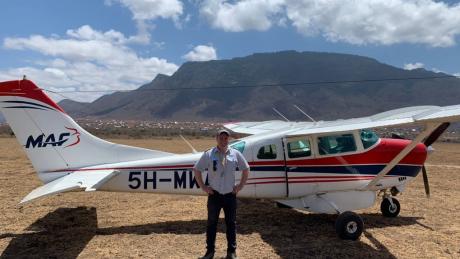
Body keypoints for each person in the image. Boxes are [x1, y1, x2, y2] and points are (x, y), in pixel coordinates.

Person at [194, 129, 250, 259]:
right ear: (216, 138)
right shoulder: (208, 154)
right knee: (211, 224)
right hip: (215, 195)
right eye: (221, 138)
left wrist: (240, 186)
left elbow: (246, 169)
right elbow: (197, 169)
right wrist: (204, 187)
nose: (223, 140)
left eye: (226, 138)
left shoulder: (235, 154)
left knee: (231, 223)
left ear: (228, 139)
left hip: (230, 195)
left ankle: (231, 252)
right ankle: (209, 252)